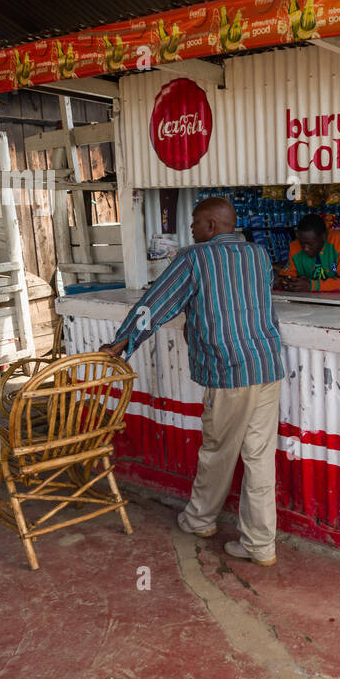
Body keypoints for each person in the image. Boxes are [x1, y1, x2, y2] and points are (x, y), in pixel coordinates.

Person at [99, 197, 283, 566]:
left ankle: (200, 520)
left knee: (218, 451)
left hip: (228, 370)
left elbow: (156, 303)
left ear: (211, 226)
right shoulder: (259, 255)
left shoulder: (193, 258)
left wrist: (122, 342)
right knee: (260, 458)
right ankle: (260, 545)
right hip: (266, 366)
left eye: (195, 224)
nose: (192, 230)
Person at [274, 212, 340, 292]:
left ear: (323, 236)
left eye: (311, 244)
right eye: (302, 243)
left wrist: (313, 285)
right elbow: (287, 275)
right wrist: (285, 282)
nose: (306, 248)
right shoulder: (295, 246)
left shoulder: (338, 241)